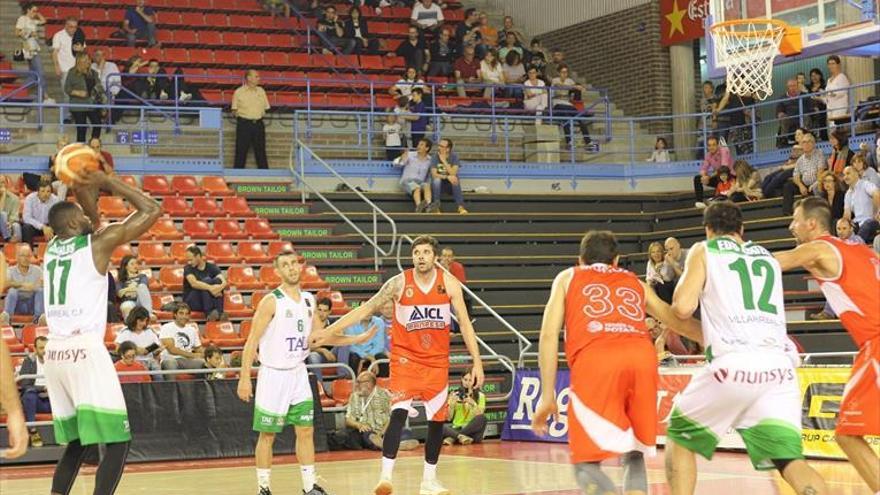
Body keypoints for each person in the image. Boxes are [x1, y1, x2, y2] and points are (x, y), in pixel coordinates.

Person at [665, 201, 828, 495]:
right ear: (742, 230)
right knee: (790, 461)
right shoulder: (765, 256)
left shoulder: (705, 249)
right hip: (780, 369)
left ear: (707, 230)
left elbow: (683, 307)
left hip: (736, 363)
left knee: (679, 438)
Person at [531, 230, 700, 495]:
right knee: (633, 453)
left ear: (580, 259)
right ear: (616, 260)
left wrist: (548, 394)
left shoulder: (567, 277)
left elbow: (548, 334)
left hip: (597, 360)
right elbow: (671, 317)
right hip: (642, 359)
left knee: (585, 462)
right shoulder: (634, 280)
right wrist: (709, 336)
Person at [323, 235, 484, 495]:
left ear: (435, 257)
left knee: (436, 421)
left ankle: (429, 481)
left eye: (425, 252)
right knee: (398, 414)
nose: (420, 256)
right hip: (405, 359)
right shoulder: (398, 283)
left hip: (436, 363)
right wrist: (329, 330)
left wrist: (477, 362)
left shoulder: (450, 284)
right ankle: (385, 477)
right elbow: (365, 309)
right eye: (416, 252)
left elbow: (465, 325)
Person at [41, 168, 161, 494]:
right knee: (119, 442)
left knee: (79, 442)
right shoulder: (97, 244)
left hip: (54, 353)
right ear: (72, 225)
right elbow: (152, 209)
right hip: (84, 351)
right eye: (82, 216)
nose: (88, 218)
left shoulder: (51, 247)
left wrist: (84, 198)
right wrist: (108, 183)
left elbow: (89, 223)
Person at [237, 249, 378, 495]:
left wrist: (357, 337)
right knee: (267, 434)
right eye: (285, 264)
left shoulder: (309, 300)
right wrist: (244, 378)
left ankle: (309, 486)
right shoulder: (271, 301)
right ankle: (263, 488)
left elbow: (319, 338)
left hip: (299, 373)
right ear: (278, 271)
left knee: (306, 430)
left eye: (294, 263)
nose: (291, 267)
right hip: (274, 374)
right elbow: (251, 341)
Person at [775, 197, 879, 492]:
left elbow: (772, 263)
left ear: (811, 223)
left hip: (877, 340)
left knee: (846, 433)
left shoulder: (818, 248)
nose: (791, 225)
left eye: (795, 219)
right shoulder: (858, 247)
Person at [551, 65, 594, 152]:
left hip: (567, 103)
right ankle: (569, 141)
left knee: (580, 118)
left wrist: (580, 87)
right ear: (559, 73)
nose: (565, 74)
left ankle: (588, 141)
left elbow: (578, 87)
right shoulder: (555, 80)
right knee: (566, 118)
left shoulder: (569, 81)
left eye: (566, 72)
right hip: (557, 103)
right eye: (563, 72)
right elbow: (559, 86)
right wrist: (574, 87)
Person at [232, 70, 271, 169]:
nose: (259, 78)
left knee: (261, 151)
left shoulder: (261, 91)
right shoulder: (238, 92)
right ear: (249, 78)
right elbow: (234, 110)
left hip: (258, 124)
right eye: (256, 76)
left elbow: (266, 107)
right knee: (241, 151)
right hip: (244, 124)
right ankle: (237, 176)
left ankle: (265, 176)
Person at [17, 336, 51, 447]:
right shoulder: (29, 361)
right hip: (35, 400)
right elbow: (24, 384)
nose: (45, 351)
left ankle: (65, 431)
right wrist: (42, 388)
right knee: (29, 394)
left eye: (47, 347)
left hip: (51, 399)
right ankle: (33, 431)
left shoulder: (55, 362)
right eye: (41, 348)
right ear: (35, 349)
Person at [16, 3, 52, 103]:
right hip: (29, 49)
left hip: (34, 48)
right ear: (28, 10)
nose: (35, 13)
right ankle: (45, 96)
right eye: (33, 11)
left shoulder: (33, 20)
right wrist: (29, 33)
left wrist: (37, 13)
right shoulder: (22, 19)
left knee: (33, 75)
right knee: (41, 73)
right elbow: (17, 32)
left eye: (36, 11)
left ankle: (18, 92)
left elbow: (44, 21)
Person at [65, 53, 105, 143]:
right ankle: (81, 148)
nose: (88, 61)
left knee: (97, 124)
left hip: (92, 104)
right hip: (78, 105)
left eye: (89, 59)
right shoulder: (72, 72)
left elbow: (99, 87)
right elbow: (67, 88)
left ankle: (94, 144)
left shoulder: (93, 73)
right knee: (82, 128)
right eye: (86, 60)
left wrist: (99, 93)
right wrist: (77, 92)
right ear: (80, 61)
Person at [0, 243, 44, 326]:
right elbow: (4, 284)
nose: (26, 258)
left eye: (28, 256)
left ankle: (38, 319)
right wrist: (22, 285)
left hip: (32, 304)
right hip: (17, 304)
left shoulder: (37, 270)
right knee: (12, 291)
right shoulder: (10, 270)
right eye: (23, 256)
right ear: (17, 257)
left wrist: (33, 287)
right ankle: (7, 317)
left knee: (41, 291)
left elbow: (44, 283)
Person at [782, 132, 825, 216]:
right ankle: (787, 213)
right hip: (805, 185)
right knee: (788, 185)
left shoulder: (819, 154)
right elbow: (795, 175)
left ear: (813, 143)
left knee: (815, 187)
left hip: (816, 183)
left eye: (809, 141)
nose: (806, 144)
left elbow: (821, 172)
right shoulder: (800, 160)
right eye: (804, 142)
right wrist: (800, 186)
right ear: (801, 145)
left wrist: (814, 184)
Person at [159, 303, 206, 378]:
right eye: (181, 313)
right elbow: (172, 350)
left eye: (187, 314)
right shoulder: (166, 327)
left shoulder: (192, 329)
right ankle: (171, 389)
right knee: (170, 364)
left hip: (187, 361)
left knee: (204, 364)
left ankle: (201, 389)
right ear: (175, 314)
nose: (184, 316)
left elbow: (198, 348)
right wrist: (193, 355)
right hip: (170, 359)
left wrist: (207, 355)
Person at [442, 368, 486, 445]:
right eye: (465, 380)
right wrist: (451, 405)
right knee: (438, 426)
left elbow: (480, 414)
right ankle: (460, 437)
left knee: (482, 418)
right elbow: (449, 418)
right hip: (456, 428)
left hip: (472, 432)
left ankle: (454, 437)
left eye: (470, 380)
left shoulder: (480, 396)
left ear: (474, 381)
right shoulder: (454, 394)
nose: (467, 383)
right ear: (461, 380)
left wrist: (473, 404)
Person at [183, 245, 227, 321]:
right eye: (188, 260)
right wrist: (211, 288)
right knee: (207, 281)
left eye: (191, 260)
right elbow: (194, 283)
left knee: (217, 281)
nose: (189, 262)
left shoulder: (212, 266)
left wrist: (219, 287)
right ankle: (210, 313)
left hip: (208, 300)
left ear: (198, 256)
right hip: (193, 301)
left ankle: (218, 312)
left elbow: (223, 281)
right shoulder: (188, 268)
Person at [114, 306, 162, 375]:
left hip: (150, 360)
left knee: (158, 371)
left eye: (145, 321)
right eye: (141, 321)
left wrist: (157, 352)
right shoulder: (125, 332)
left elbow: (156, 349)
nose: (144, 324)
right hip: (134, 361)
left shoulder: (149, 331)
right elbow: (118, 349)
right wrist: (135, 350)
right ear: (134, 319)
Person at [427, 138, 467, 214]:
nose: (439, 148)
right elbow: (434, 174)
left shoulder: (454, 157)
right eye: (439, 145)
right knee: (436, 180)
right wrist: (447, 177)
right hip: (437, 187)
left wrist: (444, 161)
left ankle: (460, 207)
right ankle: (436, 207)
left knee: (455, 178)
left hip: (450, 186)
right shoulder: (435, 157)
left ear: (448, 149)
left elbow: (453, 173)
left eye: (441, 146)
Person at [842, 165, 880, 244]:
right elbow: (847, 214)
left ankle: (855, 245)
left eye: (848, 173)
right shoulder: (848, 194)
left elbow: (876, 194)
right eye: (844, 175)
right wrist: (846, 224)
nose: (845, 177)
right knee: (841, 225)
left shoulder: (865, 184)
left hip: (871, 221)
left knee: (867, 224)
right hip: (857, 224)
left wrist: (875, 213)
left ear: (856, 174)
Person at [395, 137, 433, 212]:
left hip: (420, 182)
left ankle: (429, 206)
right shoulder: (409, 154)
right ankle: (419, 206)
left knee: (427, 185)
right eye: (418, 144)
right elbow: (396, 164)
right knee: (416, 188)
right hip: (407, 181)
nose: (418, 146)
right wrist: (402, 159)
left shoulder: (430, 160)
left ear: (427, 148)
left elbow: (431, 174)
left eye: (421, 145)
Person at [693, 135, 732, 208]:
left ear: (718, 145)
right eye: (709, 145)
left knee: (722, 174)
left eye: (714, 145)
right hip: (718, 177)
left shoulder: (724, 151)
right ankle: (700, 202)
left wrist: (709, 177)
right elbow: (703, 169)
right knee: (698, 178)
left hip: (729, 177)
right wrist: (704, 176)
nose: (711, 147)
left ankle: (716, 199)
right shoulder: (708, 155)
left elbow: (723, 169)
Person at [21, 178, 60, 245]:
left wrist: (51, 227)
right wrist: (42, 227)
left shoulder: (55, 200)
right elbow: (26, 218)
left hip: (50, 226)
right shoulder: (30, 199)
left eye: (48, 191)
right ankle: (29, 252)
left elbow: (59, 218)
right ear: (37, 192)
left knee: (61, 227)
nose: (45, 194)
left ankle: (57, 252)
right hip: (35, 226)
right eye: (43, 191)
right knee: (26, 227)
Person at [819, 55, 850, 129]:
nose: (831, 66)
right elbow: (828, 97)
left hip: (839, 107)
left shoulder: (842, 77)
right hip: (830, 108)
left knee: (837, 129)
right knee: (831, 129)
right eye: (829, 64)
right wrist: (820, 97)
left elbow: (842, 92)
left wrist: (831, 93)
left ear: (838, 65)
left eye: (833, 63)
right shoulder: (829, 80)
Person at [775, 79, 807, 147]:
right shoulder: (782, 98)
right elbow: (778, 111)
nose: (792, 88)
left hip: (802, 117)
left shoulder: (804, 95)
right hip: (789, 120)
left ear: (798, 86)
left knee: (806, 116)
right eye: (790, 86)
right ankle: (784, 139)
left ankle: (806, 136)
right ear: (787, 87)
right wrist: (780, 114)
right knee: (782, 117)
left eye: (794, 86)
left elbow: (810, 108)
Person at [807, 68, 827, 139]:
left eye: (816, 75)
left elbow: (826, 98)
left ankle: (823, 136)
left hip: (822, 108)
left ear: (820, 76)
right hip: (810, 109)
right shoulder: (808, 88)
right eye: (812, 76)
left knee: (821, 115)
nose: (814, 77)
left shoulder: (824, 87)